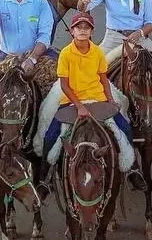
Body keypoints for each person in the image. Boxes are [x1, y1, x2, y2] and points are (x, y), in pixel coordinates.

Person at [40, 12, 145, 189]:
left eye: (86, 28)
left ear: (91, 32)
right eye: (78, 28)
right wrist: (79, 106)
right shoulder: (65, 54)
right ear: (72, 32)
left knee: (125, 127)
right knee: (50, 136)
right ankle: (44, 178)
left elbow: (103, 79)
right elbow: (64, 85)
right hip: (73, 102)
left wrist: (111, 100)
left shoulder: (97, 52)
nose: (82, 30)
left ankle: (133, 169)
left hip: (99, 100)